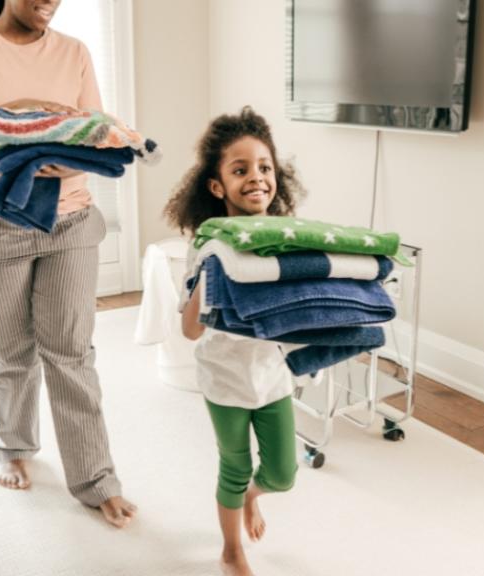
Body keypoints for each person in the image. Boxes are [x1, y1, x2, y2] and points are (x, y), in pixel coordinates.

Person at [0, 0, 136, 528]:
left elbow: (88, 128)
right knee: (13, 349)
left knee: (71, 351)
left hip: (71, 218)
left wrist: (75, 143)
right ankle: (13, 445)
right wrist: (14, 114)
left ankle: (95, 477)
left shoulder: (74, 52)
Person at [164, 106, 307, 576]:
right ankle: (231, 550)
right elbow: (189, 329)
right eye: (240, 169)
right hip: (224, 377)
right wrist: (214, 267)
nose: (256, 178)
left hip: (271, 375)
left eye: (264, 168)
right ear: (216, 185)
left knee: (283, 474)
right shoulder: (205, 245)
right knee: (233, 467)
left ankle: (254, 497)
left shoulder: (283, 242)